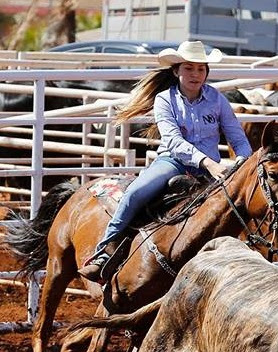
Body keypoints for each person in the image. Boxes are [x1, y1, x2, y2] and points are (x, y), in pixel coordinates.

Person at [78, 40, 253, 282]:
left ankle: (250, 258)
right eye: (189, 68)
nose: (195, 74)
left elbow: (238, 137)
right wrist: (209, 164)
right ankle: (104, 254)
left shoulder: (217, 100)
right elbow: (173, 141)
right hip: (173, 162)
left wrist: (243, 161)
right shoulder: (165, 99)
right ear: (176, 71)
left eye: (201, 69)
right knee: (135, 194)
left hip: (211, 169)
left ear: (207, 72)